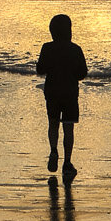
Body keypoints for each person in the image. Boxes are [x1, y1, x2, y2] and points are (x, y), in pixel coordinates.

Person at [36, 13, 88, 181]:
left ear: (52, 31)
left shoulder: (47, 48)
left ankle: (53, 150)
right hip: (70, 92)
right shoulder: (75, 49)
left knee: (52, 123)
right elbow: (82, 73)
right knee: (68, 128)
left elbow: (40, 70)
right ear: (69, 30)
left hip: (52, 91)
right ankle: (67, 162)